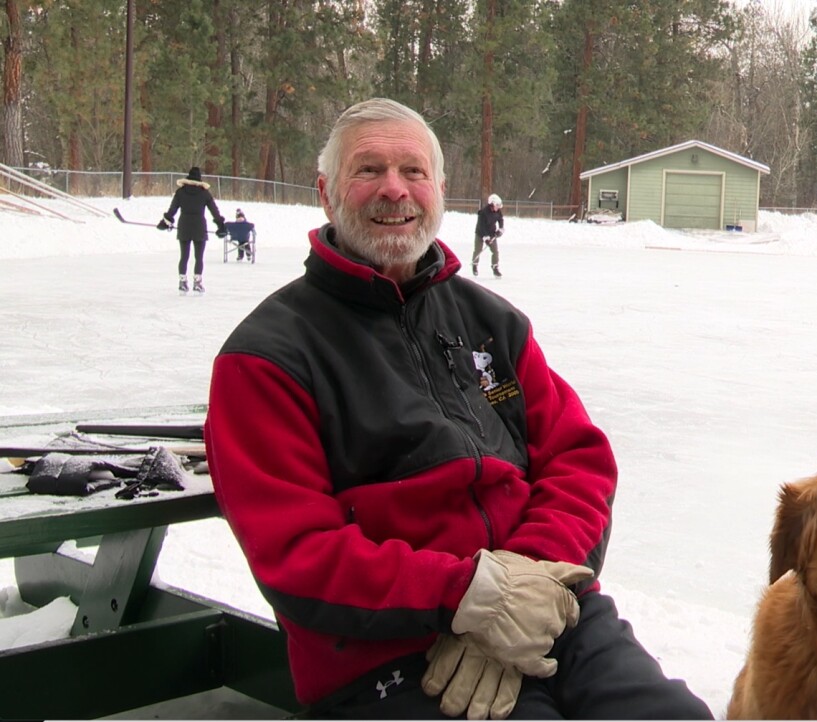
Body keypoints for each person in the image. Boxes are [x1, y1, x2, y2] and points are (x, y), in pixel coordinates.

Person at [204, 98, 712, 721]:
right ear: (327, 193)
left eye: (413, 171)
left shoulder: (490, 323)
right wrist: (467, 597)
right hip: (386, 657)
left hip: (552, 615)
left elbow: (578, 460)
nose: (395, 189)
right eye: (369, 170)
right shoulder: (268, 357)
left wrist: (523, 585)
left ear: (441, 188)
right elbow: (298, 552)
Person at [158, 166, 226, 294]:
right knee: (198, 257)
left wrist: (165, 222)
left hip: (184, 225)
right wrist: (221, 226)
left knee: (184, 256)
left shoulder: (180, 192)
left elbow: (172, 210)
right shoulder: (205, 193)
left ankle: (182, 282)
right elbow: (214, 211)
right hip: (199, 226)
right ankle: (197, 282)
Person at [473, 193, 505, 278]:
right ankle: (474, 265)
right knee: (478, 250)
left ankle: (495, 268)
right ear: (492, 204)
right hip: (480, 233)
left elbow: (500, 219)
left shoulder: (497, 211)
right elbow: (481, 226)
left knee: (495, 251)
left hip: (491, 233)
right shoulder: (483, 213)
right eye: (497, 205)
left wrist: (500, 229)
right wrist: (485, 237)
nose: (498, 207)